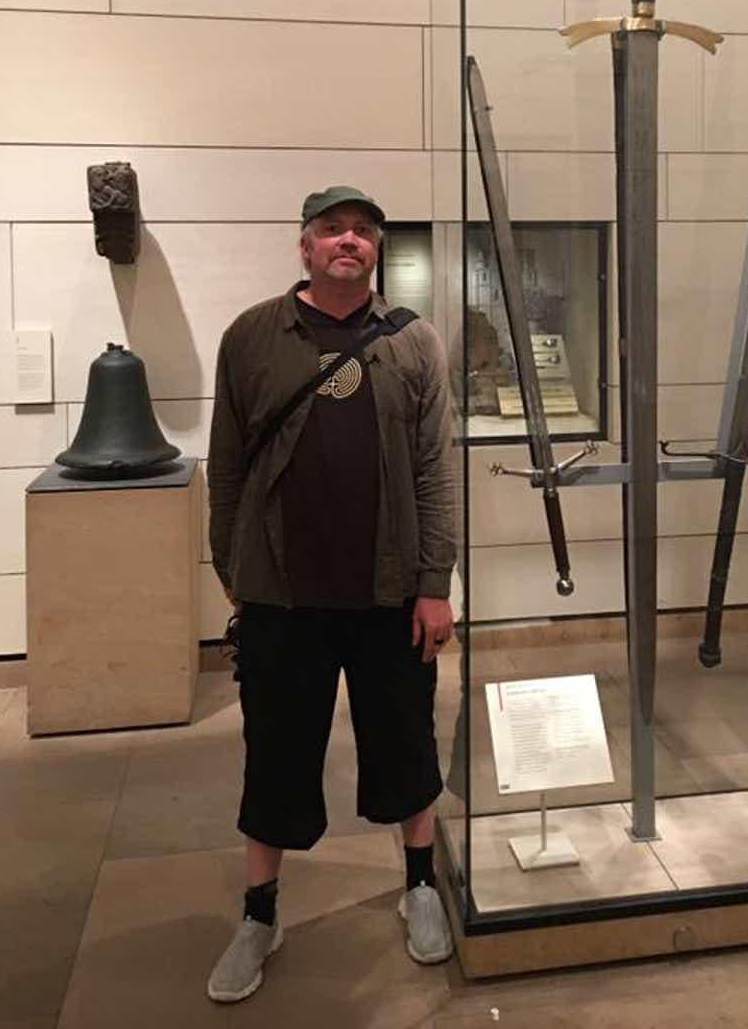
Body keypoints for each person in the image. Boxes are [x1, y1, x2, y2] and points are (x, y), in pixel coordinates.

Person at [205, 185, 457, 1004]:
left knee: (407, 744)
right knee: (276, 755)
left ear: (376, 249)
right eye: (332, 230)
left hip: (390, 595)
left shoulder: (413, 342)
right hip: (283, 598)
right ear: (305, 245)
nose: (349, 241)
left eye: (362, 232)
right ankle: (259, 915)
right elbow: (227, 465)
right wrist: (234, 570)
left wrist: (434, 584)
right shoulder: (252, 337)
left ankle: (419, 884)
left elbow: (434, 472)